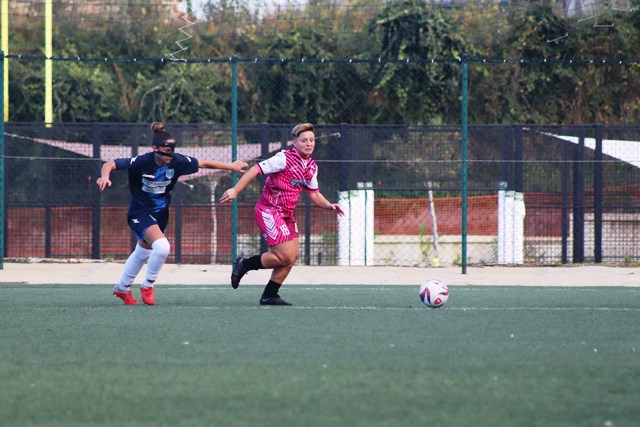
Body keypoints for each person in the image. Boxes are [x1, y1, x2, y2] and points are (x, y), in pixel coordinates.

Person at [97, 122, 248, 305]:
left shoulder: (178, 161)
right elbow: (110, 163)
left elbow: (203, 163)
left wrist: (231, 167)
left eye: (172, 150)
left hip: (160, 213)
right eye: (166, 151)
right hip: (140, 212)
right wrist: (105, 176)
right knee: (162, 247)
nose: (170, 155)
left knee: (143, 251)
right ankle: (148, 285)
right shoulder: (142, 161)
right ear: (155, 148)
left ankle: (122, 288)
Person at [219, 123, 344, 306]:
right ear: (295, 142)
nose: (309, 143)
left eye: (311, 140)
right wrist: (235, 190)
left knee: (291, 257)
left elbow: (314, 194)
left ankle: (270, 294)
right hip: (268, 210)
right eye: (304, 140)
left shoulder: (311, 166)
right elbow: (255, 169)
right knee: (285, 255)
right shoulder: (283, 158)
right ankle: (244, 264)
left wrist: (328, 205)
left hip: (286, 214)